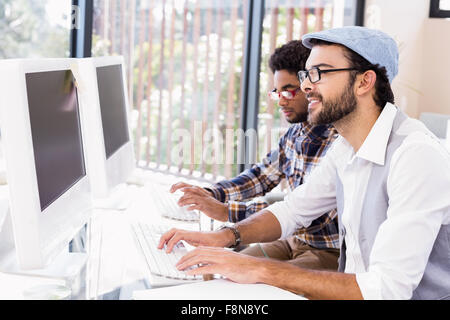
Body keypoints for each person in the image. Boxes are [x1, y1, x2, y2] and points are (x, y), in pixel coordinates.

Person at [159, 26, 450, 300]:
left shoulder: (415, 156)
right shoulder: (346, 147)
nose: (306, 85)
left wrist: (261, 270)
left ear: (365, 81)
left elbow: (386, 288)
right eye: (306, 74)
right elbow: (292, 211)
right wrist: (224, 237)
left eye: (319, 73)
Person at [170, 40, 340, 271]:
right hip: (293, 241)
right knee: (216, 270)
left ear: (311, 87)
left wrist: (225, 211)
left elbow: (308, 215)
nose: (281, 101)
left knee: (252, 286)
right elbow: (259, 177)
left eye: (289, 91)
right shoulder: (294, 135)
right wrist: (211, 194)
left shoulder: (337, 141)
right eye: (277, 93)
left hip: (329, 251)